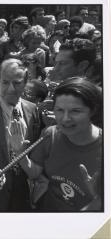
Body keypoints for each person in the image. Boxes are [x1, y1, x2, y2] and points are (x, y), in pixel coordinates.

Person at [16, 77, 102, 211]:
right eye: (60, 110)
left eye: (75, 111)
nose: (65, 118)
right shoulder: (50, 134)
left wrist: (99, 200)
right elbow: (34, 172)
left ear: (93, 110)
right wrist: (22, 158)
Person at [0, 58, 41, 211]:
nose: (11, 89)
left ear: (25, 83)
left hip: (24, 192)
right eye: (5, 82)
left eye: (17, 83)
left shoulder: (33, 110)